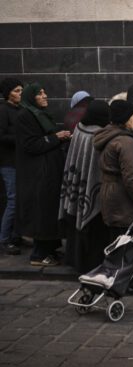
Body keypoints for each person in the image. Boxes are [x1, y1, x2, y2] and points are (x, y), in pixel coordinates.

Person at [93, 100, 133, 295]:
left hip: (113, 195)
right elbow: (131, 177)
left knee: (119, 241)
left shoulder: (111, 136)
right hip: (122, 199)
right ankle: (121, 283)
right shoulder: (125, 141)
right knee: (125, 243)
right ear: (124, 118)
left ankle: (125, 281)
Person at [15, 83, 71, 266]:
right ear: (32, 98)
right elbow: (31, 144)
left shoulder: (40, 114)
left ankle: (50, 250)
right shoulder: (25, 115)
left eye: (44, 92)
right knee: (42, 213)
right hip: (38, 175)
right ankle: (39, 255)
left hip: (47, 172)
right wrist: (57, 137)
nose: (45, 96)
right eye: (40, 94)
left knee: (49, 211)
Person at [59, 100, 112, 274]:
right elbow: (95, 166)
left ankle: (76, 261)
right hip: (92, 187)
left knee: (77, 224)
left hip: (79, 183)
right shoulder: (98, 134)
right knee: (92, 230)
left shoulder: (80, 127)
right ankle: (90, 265)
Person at [0, 78, 24, 255]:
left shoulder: (20, 110)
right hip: (9, 162)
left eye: (21, 90)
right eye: (16, 90)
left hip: (20, 161)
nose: (20, 94)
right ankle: (4, 239)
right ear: (8, 93)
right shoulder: (3, 110)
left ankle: (16, 235)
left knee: (20, 200)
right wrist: (22, 140)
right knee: (13, 200)